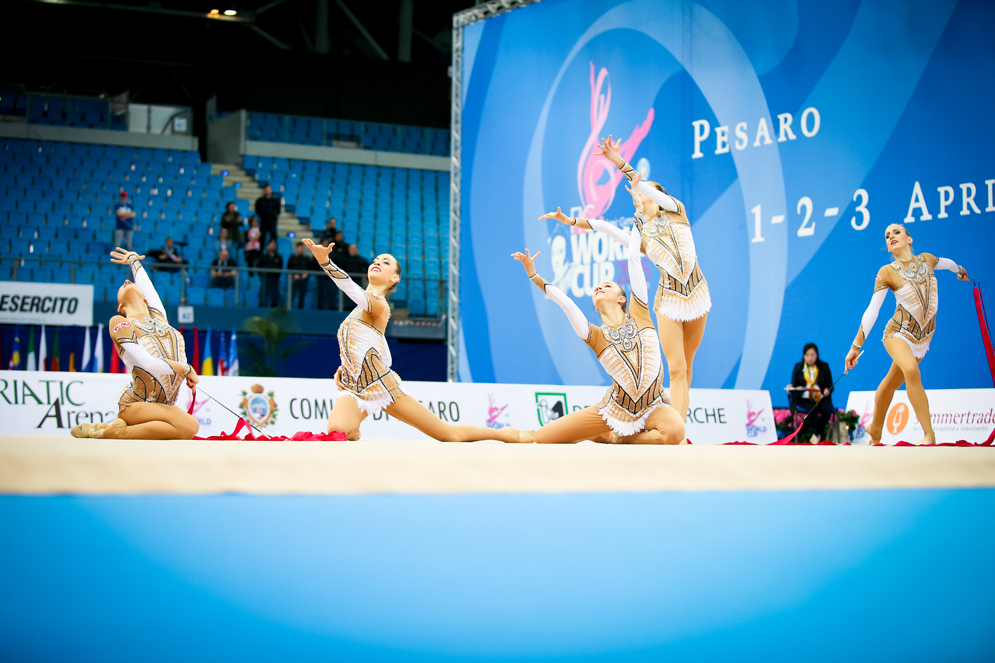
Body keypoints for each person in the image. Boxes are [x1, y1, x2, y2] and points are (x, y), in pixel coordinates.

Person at [549, 136, 710, 423]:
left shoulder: (678, 211)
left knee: (688, 365)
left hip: (697, 292)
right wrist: (571, 222)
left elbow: (645, 185)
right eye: (641, 193)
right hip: (669, 300)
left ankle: (678, 426)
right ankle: (679, 430)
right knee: (676, 367)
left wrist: (619, 163)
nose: (644, 195)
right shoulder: (642, 237)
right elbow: (604, 227)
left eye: (650, 193)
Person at [303, 237, 528, 443]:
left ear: (394, 278)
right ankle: (355, 436)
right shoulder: (356, 311)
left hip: (382, 386)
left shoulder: (379, 304)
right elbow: (362, 347)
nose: (377, 261)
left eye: (385, 261)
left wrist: (326, 263)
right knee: (338, 431)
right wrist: (345, 369)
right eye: (375, 259)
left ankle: (507, 434)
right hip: (356, 388)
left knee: (449, 435)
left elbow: (351, 288)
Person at [516, 175, 685, 445]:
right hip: (615, 409)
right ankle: (610, 433)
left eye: (607, 285)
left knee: (675, 432)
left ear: (621, 298)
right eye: (596, 288)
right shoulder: (596, 335)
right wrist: (535, 276)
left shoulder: (640, 314)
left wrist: (639, 212)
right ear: (594, 304)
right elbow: (567, 304)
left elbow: (632, 257)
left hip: (654, 407)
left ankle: (619, 439)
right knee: (544, 438)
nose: (599, 288)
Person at [844, 224, 969, 445]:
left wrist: (959, 270)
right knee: (911, 370)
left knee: (891, 382)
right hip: (898, 333)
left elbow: (946, 263)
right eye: (886, 236)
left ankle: (876, 429)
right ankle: (929, 435)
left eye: (896, 232)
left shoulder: (927, 260)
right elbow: (873, 310)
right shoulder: (887, 272)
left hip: (924, 338)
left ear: (909, 239)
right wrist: (855, 347)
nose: (891, 236)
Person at [70, 247, 200, 439]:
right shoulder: (120, 322)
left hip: (162, 408)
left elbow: (147, 285)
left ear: (145, 299)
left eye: (130, 282)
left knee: (186, 427)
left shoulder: (160, 318)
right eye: (121, 287)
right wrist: (186, 368)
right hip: (135, 404)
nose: (125, 281)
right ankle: (114, 432)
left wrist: (134, 261)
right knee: (189, 426)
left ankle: (109, 429)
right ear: (120, 307)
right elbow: (146, 362)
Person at [786, 343, 835, 443]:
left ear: (817, 355)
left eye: (812, 355)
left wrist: (827, 390)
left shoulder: (824, 366)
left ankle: (818, 434)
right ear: (804, 355)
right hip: (805, 398)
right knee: (812, 408)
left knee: (828, 409)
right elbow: (794, 384)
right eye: (807, 355)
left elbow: (830, 386)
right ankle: (817, 434)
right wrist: (790, 387)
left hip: (820, 397)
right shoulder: (798, 367)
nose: (810, 357)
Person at [255, 185, 281, 249]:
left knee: (273, 237)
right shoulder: (260, 200)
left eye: (269, 189)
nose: (267, 191)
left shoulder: (275, 201)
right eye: (266, 189)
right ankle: (261, 251)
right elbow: (257, 210)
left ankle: (273, 250)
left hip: (272, 221)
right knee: (262, 237)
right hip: (263, 221)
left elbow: (278, 211)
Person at [258, 239, 283, 307]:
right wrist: (262, 276)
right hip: (265, 278)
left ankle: (274, 307)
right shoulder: (263, 256)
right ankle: (261, 306)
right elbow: (259, 267)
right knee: (263, 293)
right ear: (268, 246)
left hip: (274, 278)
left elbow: (280, 268)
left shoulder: (278, 257)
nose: (272, 246)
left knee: (275, 294)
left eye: (273, 245)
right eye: (271, 244)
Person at [313, 238, 336, 310]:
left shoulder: (332, 254)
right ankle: (319, 308)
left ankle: (332, 308)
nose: (325, 245)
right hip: (321, 277)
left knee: (331, 293)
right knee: (320, 293)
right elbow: (313, 265)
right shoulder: (316, 254)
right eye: (324, 243)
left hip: (330, 277)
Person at [287, 241, 311, 309]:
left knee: (302, 295)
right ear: (296, 248)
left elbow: (310, 268)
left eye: (302, 248)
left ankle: (301, 309)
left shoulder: (306, 258)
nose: (301, 249)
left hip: (304, 280)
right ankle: (289, 307)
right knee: (292, 294)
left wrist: (306, 275)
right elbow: (289, 268)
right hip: (295, 279)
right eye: (299, 248)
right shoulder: (292, 258)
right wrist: (293, 275)